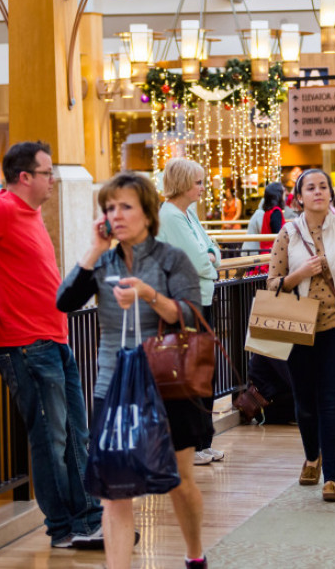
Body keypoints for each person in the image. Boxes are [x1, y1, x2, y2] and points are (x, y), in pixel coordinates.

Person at [0, 142, 103, 550]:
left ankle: (85, 520)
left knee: (74, 434)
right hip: (25, 344)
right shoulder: (3, 208)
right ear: (25, 177)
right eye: (47, 173)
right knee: (52, 439)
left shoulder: (30, 213)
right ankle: (69, 527)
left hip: (50, 338)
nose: (52, 181)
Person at [57, 172, 208, 569]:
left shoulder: (171, 258)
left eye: (126, 206)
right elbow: (64, 301)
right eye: (110, 207)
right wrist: (93, 249)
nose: (116, 215)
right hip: (114, 385)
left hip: (167, 382)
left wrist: (148, 294)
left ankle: (195, 554)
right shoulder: (103, 262)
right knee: (115, 490)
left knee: (180, 480)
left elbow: (191, 317)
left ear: (147, 213)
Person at [267, 169, 335, 503]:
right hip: (297, 327)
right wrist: (298, 274)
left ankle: (332, 477)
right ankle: (311, 456)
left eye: (322, 187)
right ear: (299, 197)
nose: (317, 192)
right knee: (305, 402)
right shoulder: (288, 232)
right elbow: (272, 283)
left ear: (331, 193)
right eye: (309, 188)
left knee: (331, 401)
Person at [157, 158, 224, 466]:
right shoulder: (170, 215)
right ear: (183, 183)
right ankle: (192, 444)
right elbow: (199, 261)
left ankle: (203, 440)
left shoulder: (188, 214)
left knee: (204, 371)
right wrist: (209, 259)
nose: (202, 187)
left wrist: (211, 258)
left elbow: (214, 251)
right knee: (191, 374)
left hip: (202, 298)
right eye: (198, 182)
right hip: (186, 303)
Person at [258, 182, 287, 254]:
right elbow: (278, 233)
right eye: (283, 192)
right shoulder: (276, 211)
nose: (285, 194)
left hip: (266, 250)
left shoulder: (268, 211)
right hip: (273, 252)